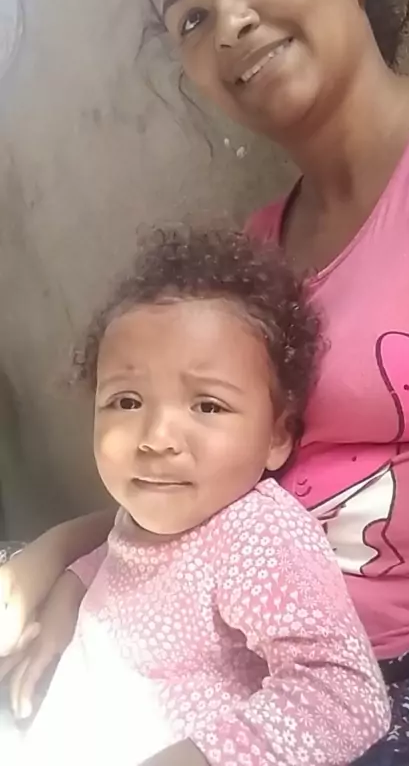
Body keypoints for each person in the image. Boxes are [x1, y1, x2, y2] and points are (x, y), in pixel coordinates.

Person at [0, 0, 409, 762]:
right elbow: (204, 479)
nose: (227, 22)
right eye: (189, 16)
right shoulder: (250, 270)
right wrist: (63, 562)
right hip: (246, 668)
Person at [13, 227, 389, 766]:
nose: (156, 437)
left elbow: (345, 694)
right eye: (127, 400)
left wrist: (207, 757)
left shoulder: (257, 535)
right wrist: (64, 602)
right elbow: (120, 561)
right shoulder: (149, 513)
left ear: (277, 435)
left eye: (207, 406)